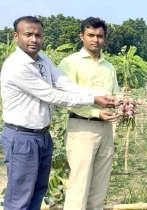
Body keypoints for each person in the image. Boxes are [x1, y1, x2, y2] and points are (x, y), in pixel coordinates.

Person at [0, 16, 115, 210]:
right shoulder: (16, 66)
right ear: (15, 36)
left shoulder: (43, 60)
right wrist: (95, 99)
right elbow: (53, 95)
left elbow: (64, 83)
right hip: (22, 136)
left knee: (38, 191)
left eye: (38, 35)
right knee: (19, 197)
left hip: (42, 135)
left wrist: (101, 96)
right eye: (28, 34)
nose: (34, 39)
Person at [58, 17, 121, 210]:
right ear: (81, 36)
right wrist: (97, 112)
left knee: (100, 185)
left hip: (106, 129)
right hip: (82, 127)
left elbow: (115, 94)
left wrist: (124, 105)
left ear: (105, 38)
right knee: (79, 185)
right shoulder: (70, 63)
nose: (96, 40)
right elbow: (67, 98)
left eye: (100, 36)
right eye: (91, 35)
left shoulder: (108, 66)